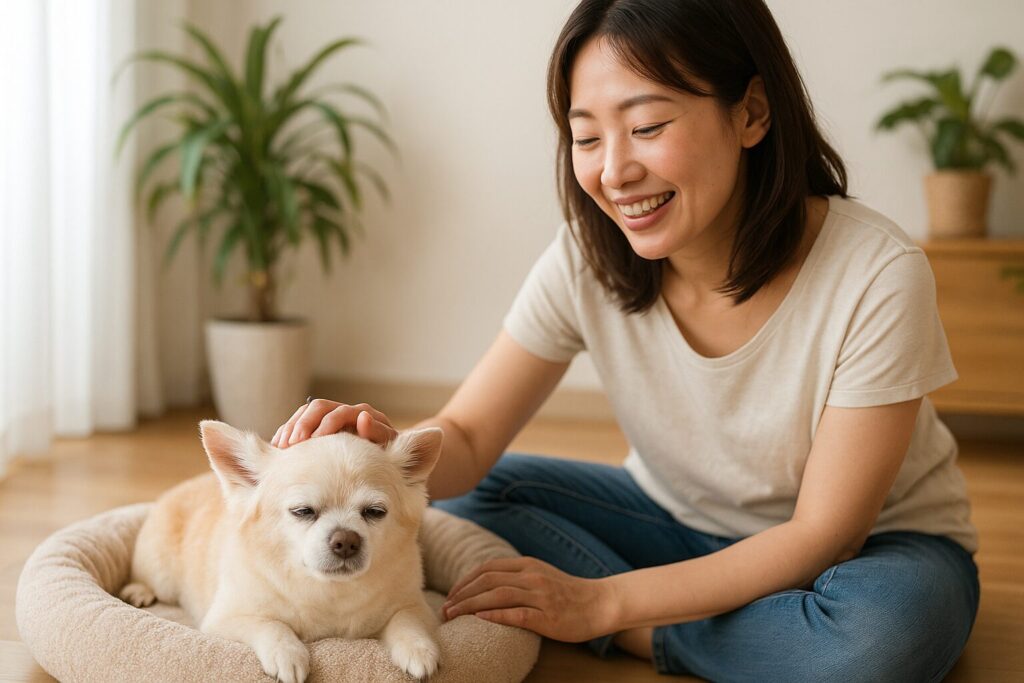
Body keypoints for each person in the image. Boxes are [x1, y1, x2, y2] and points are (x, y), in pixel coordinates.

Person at [271, 0, 979, 679]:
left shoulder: (877, 273)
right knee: (465, 503)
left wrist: (601, 604)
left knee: (873, 646)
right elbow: (470, 436)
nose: (613, 171)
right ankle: (748, 627)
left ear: (752, 113)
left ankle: (641, 625)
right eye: (586, 137)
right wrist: (386, 451)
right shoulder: (587, 253)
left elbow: (824, 534)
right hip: (671, 520)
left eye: (646, 126)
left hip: (869, 553)